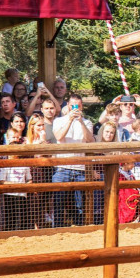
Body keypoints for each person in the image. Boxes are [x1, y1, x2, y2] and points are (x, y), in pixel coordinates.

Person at [52, 93, 95, 226]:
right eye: (72, 106)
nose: (75, 108)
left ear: (82, 107)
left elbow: (90, 140)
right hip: (62, 168)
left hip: (80, 169)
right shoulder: (58, 121)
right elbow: (59, 137)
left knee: (79, 206)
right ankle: (57, 231)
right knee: (59, 205)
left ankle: (79, 232)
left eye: (78, 106)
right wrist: (70, 120)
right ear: (68, 106)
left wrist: (80, 121)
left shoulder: (87, 122)